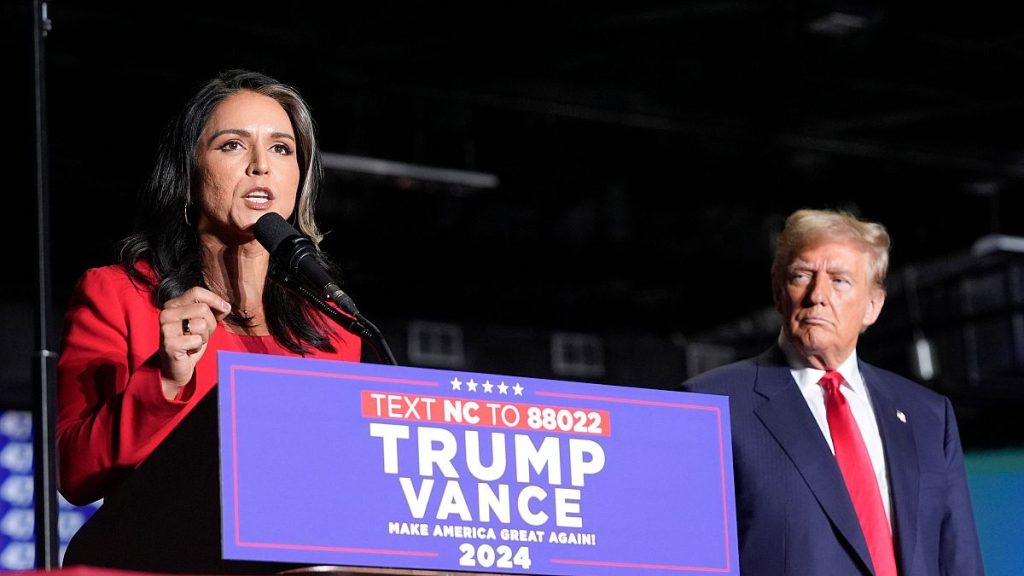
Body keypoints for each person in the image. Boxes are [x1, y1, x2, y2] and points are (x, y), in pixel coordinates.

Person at [56, 69, 362, 507]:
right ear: (189, 170)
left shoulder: (334, 324)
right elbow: (74, 473)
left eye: (281, 148)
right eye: (233, 145)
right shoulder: (117, 296)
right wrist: (164, 378)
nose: (261, 165)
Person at [681, 208, 984, 576]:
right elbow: (686, 559)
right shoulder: (711, 405)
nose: (817, 295)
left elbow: (959, 562)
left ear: (873, 306)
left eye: (839, 280)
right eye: (801, 276)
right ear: (779, 294)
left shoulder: (929, 416)